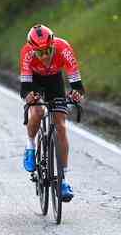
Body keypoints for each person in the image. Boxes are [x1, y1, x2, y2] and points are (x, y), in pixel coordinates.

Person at [20, 24, 85, 202]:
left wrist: (76, 93)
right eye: (40, 53)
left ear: (53, 45)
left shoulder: (64, 48)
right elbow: (24, 88)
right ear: (32, 50)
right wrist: (28, 96)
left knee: (61, 126)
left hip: (55, 81)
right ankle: (30, 146)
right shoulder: (26, 52)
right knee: (38, 111)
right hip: (35, 81)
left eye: (48, 50)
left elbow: (76, 83)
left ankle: (63, 179)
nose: (45, 56)